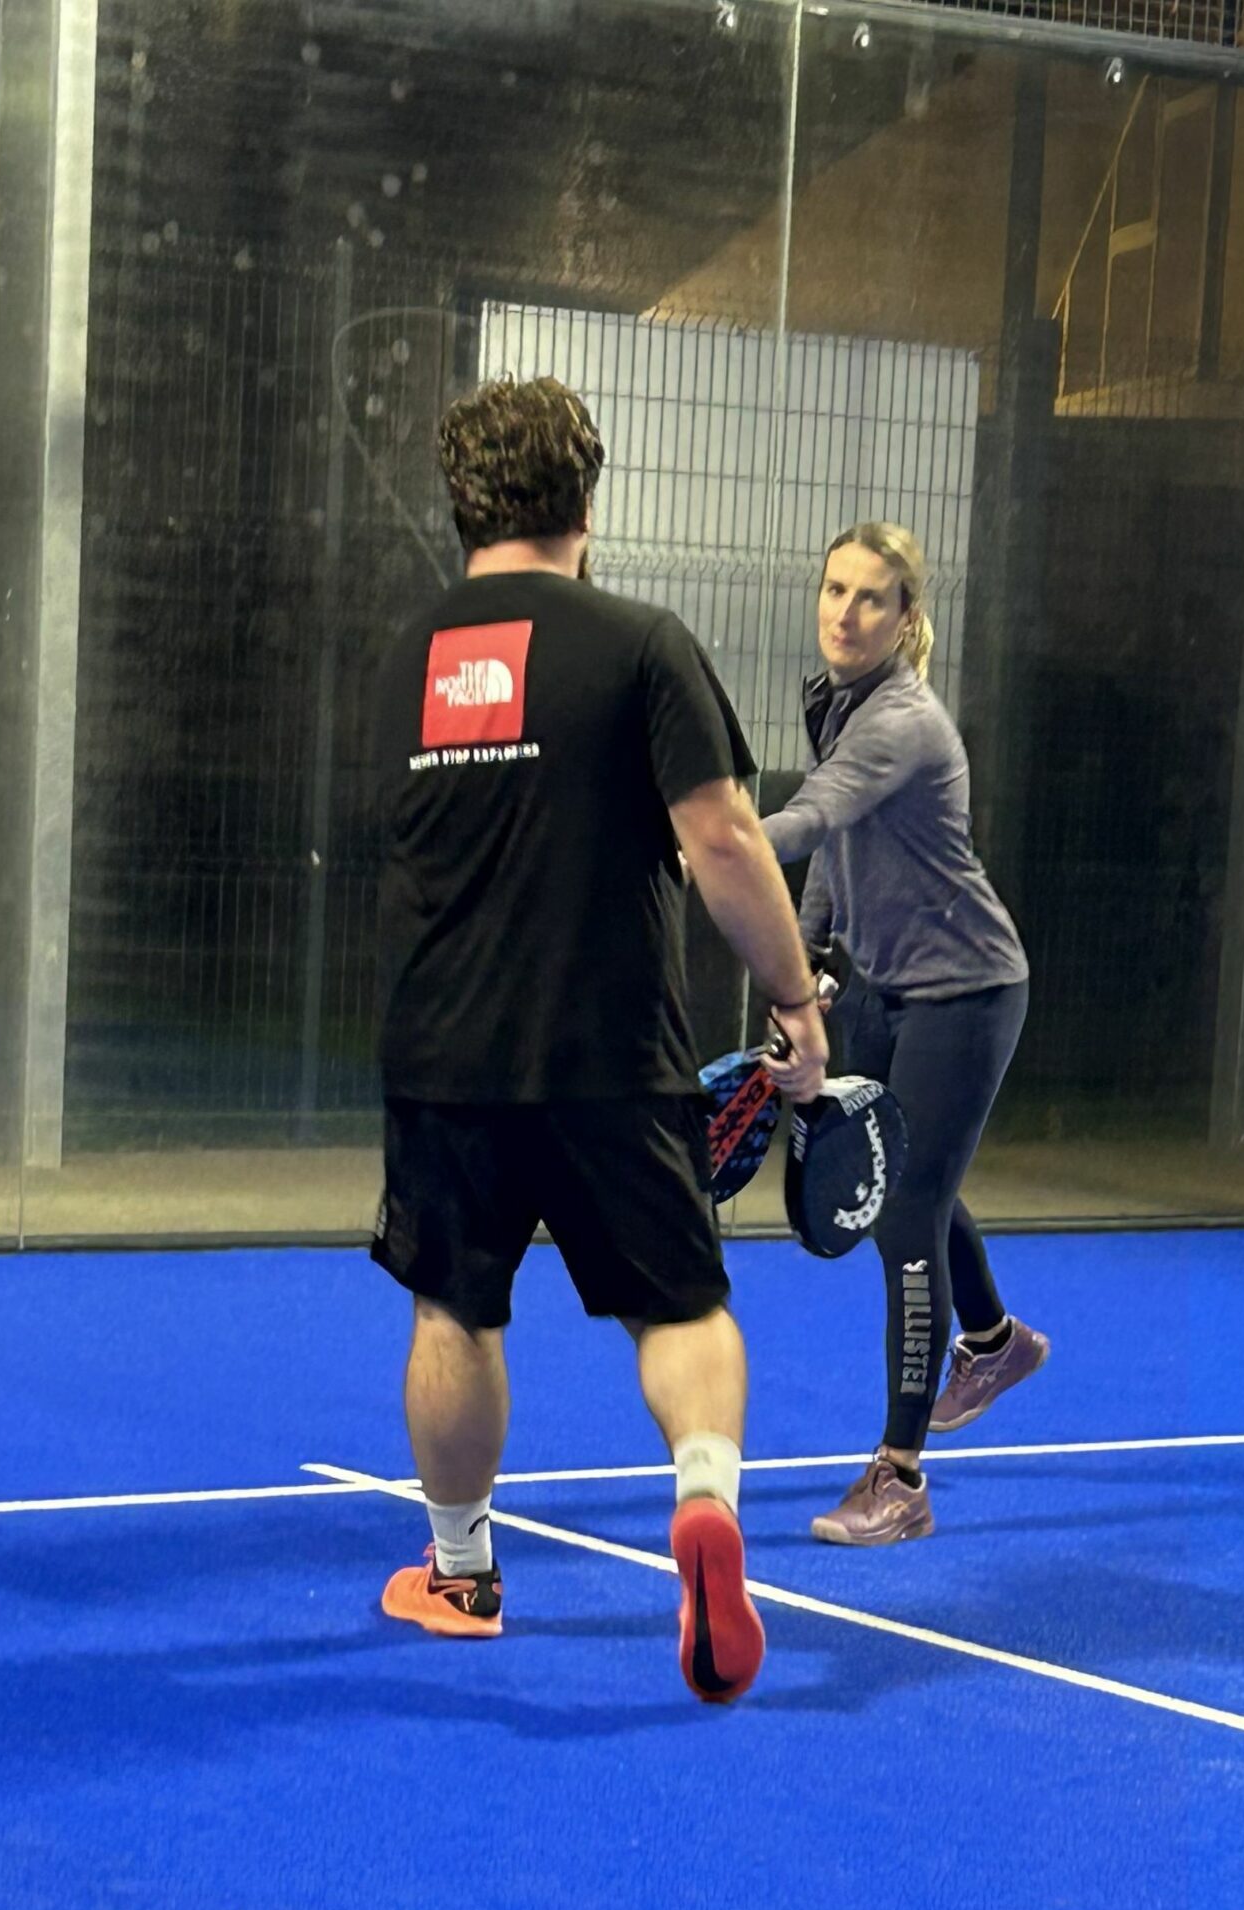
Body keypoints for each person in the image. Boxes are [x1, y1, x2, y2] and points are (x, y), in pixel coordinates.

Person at [369, 375, 828, 1701]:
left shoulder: (404, 659)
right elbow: (721, 838)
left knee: (454, 1310)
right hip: (612, 1054)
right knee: (679, 1308)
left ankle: (462, 1574)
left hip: (446, 1055)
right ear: (586, 497)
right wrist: (795, 999)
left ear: (461, 501)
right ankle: (705, 1506)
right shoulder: (640, 644)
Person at [761, 522, 1048, 1547]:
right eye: (833, 589)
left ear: (905, 617)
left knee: (906, 1211)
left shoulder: (901, 722)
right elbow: (836, 855)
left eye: (870, 597)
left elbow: (808, 818)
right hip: (884, 990)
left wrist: (697, 846)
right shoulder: (838, 704)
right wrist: (801, 966)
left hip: (967, 992)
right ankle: (995, 1342)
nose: (845, 611)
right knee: (909, 1185)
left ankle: (901, 1477)